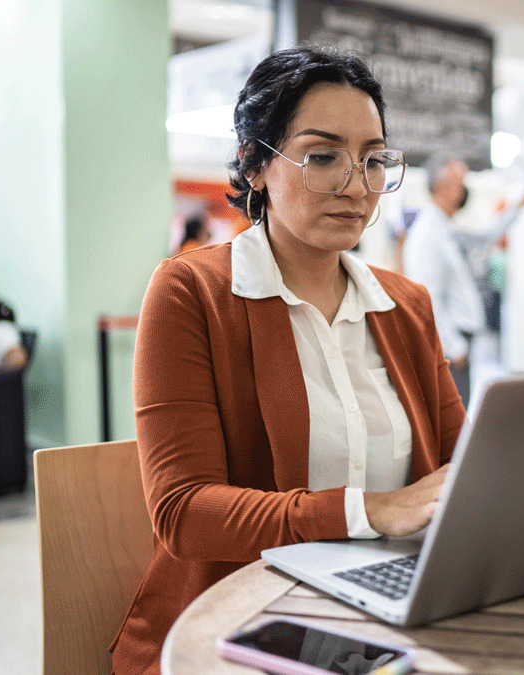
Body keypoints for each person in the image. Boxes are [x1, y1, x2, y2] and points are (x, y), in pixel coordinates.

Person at [111, 47, 465, 674]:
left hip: (390, 609)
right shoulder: (192, 292)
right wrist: (371, 510)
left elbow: (464, 471)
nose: (357, 185)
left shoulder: (405, 306)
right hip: (243, 624)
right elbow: (184, 511)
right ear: (254, 165)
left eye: (373, 159)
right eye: (323, 156)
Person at [402, 154, 524, 407]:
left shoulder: (445, 229)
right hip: (449, 349)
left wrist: (516, 207)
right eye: (460, 183)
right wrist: (453, 346)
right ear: (442, 186)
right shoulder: (428, 234)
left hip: (458, 344)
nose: (464, 191)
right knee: (452, 426)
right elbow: (427, 296)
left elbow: (482, 238)